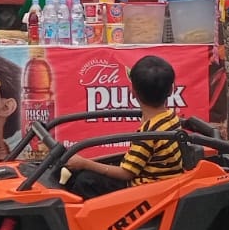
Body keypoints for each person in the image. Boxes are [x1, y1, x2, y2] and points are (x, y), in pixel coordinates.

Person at [64, 55, 183, 198]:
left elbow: (127, 174)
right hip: (161, 180)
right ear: (171, 90)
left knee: (85, 181)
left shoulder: (148, 134)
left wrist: (86, 164)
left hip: (144, 191)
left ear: (133, 92)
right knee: (90, 171)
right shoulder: (171, 116)